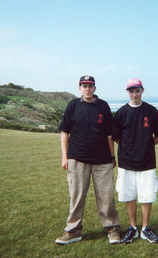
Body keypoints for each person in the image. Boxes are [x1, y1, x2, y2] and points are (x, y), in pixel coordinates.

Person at [55, 75, 121, 245]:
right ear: (79, 88)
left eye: (90, 86)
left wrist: (112, 157)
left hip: (102, 160)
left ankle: (112, 229)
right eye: (84, 86)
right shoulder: (72, 105)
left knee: (106, 197)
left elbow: (109, 135)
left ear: (95, 88)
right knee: (76, 197)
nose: (87, 89)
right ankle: (73, 231)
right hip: (77, 158)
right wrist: (65, 157)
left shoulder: (103, 106)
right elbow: (64, 132)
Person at [113, 78, 158, 244]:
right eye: (131, 91)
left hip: (147, 162)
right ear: (127, 92)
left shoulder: (151, 111)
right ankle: (133, 228)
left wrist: (145, 147)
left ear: (142, 90)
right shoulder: (121, 113)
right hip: (126, 162)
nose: (134, 94)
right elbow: (116, 137)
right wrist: (130, 148)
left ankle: (145, 229)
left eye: (137, 90)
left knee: (147, 195)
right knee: (129, 195)